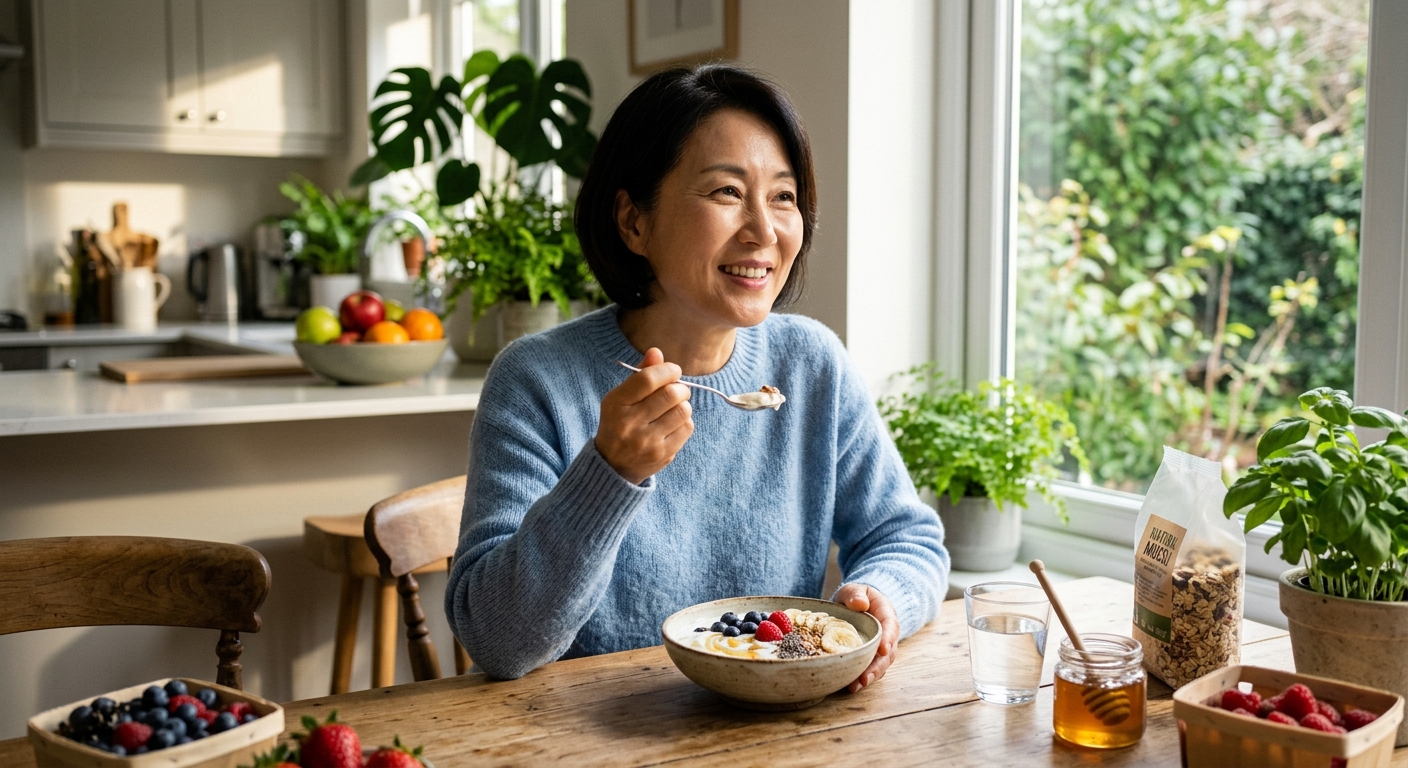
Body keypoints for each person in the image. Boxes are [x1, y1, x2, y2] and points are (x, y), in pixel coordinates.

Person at [445, 64, 949, 690]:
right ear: (634, 222)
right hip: (587, 739)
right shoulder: (537, 379)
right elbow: (496, 640)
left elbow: (908, 537)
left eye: (783, 196)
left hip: (776, 730)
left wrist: (882, 597)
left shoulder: (810, 364)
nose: (764, 231)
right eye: (726, 193)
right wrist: (610, 473)